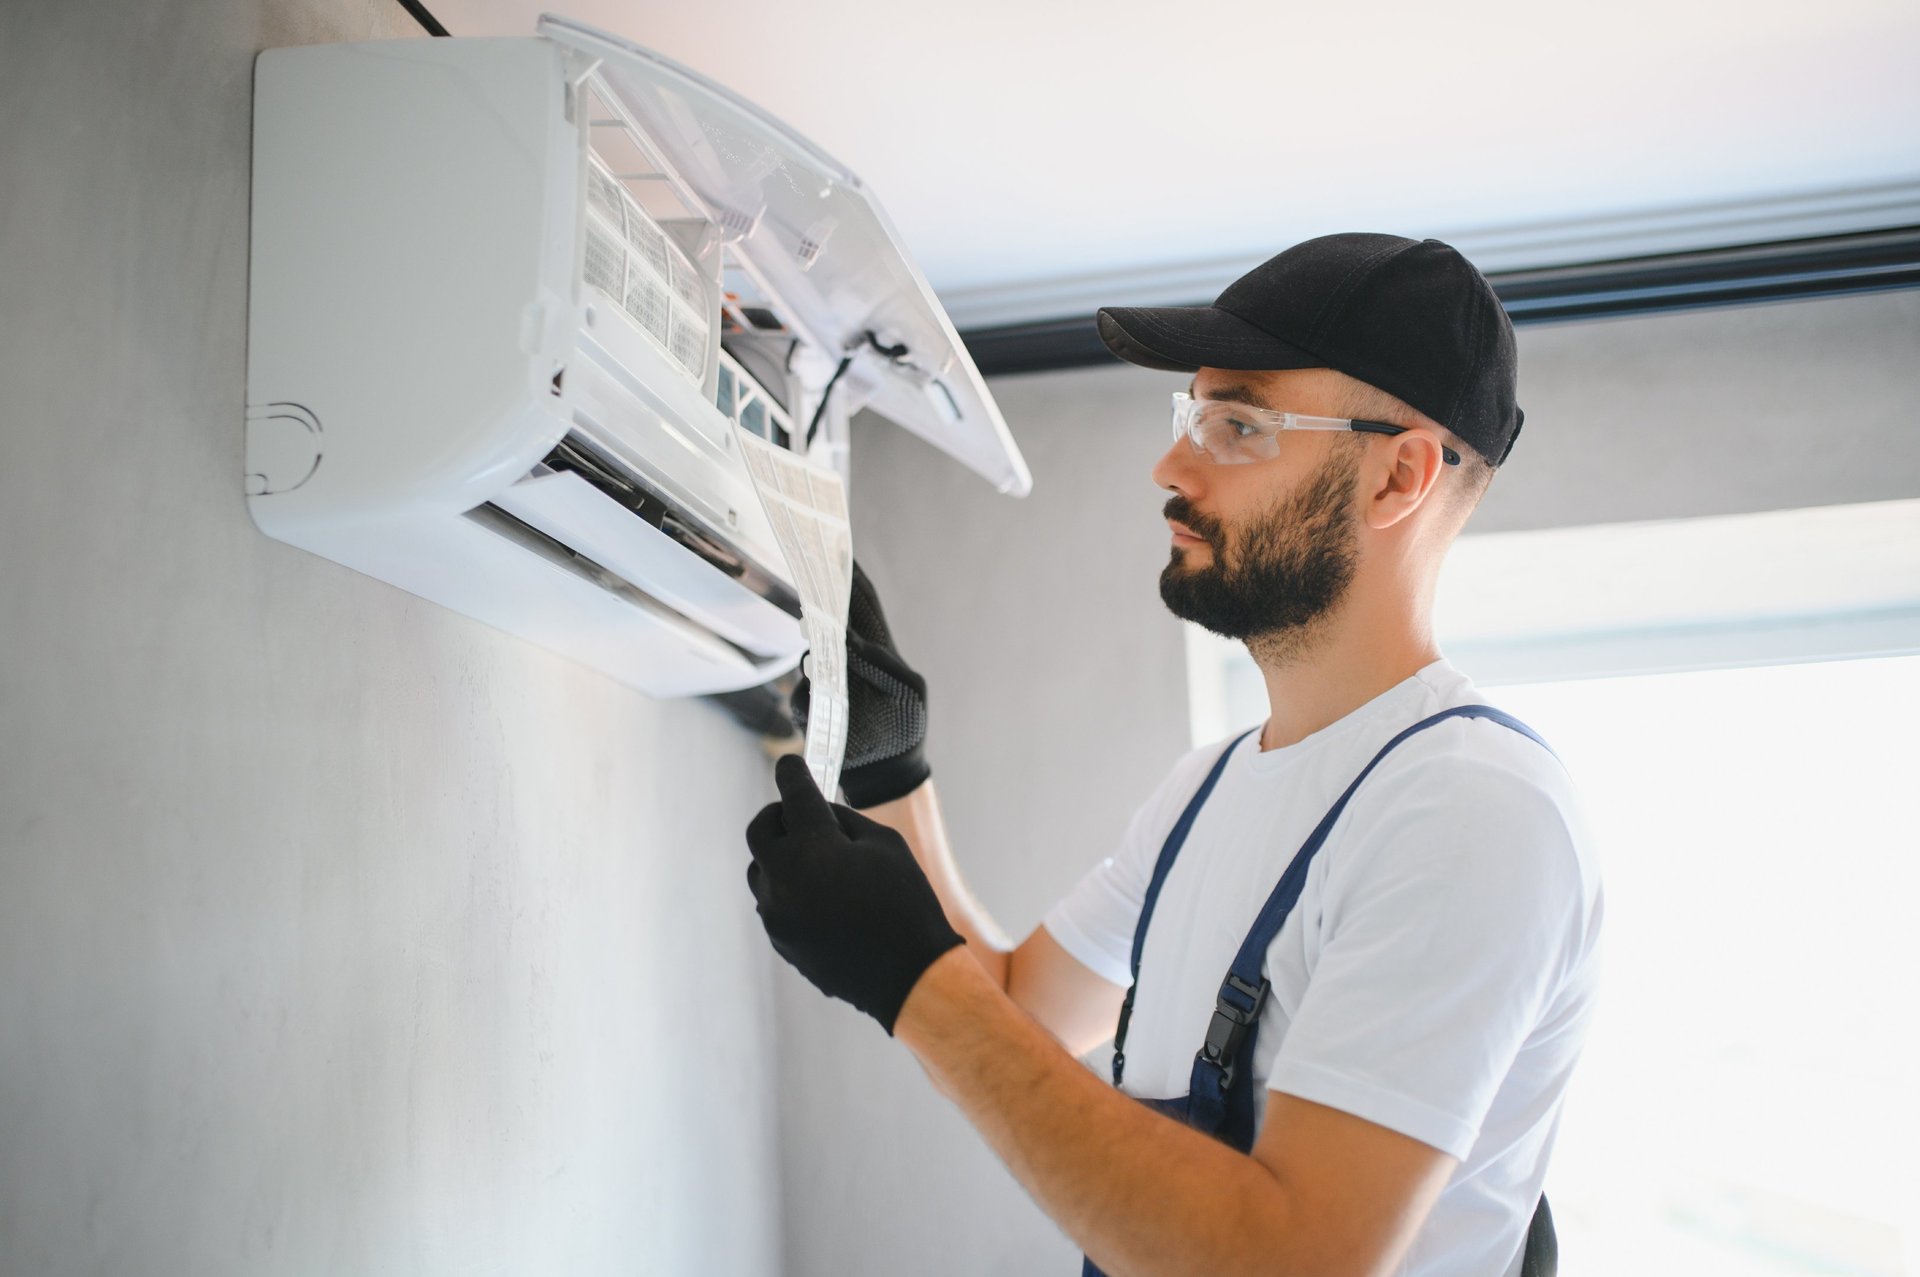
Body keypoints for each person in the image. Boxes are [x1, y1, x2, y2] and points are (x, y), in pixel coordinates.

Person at [744, 233, 1604, 1277]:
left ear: (1398, 476)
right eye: (1189, 414)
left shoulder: (1472, 810)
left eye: (1237, 423)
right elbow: (1017, 1010)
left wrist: (912, 978)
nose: (1171, 464)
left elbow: (1294, 1257)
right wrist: (889, 768)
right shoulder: (1208, 787)